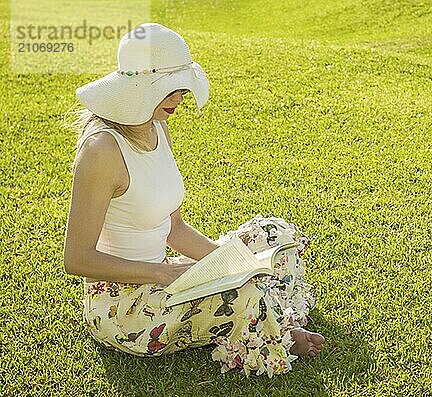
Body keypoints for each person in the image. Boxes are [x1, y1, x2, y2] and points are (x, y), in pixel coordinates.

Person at [63, 22, 324, 378]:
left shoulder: (157, 127)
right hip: (125, 307)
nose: (180, 99)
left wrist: (234, 263)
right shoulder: (101, 151)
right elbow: (78, 259)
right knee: (245, 296)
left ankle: (270, 315)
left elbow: (175, 229)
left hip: (167, 275)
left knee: (277, 236)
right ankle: (273, 325)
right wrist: (165, 273)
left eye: (181, 89)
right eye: (170, 90)